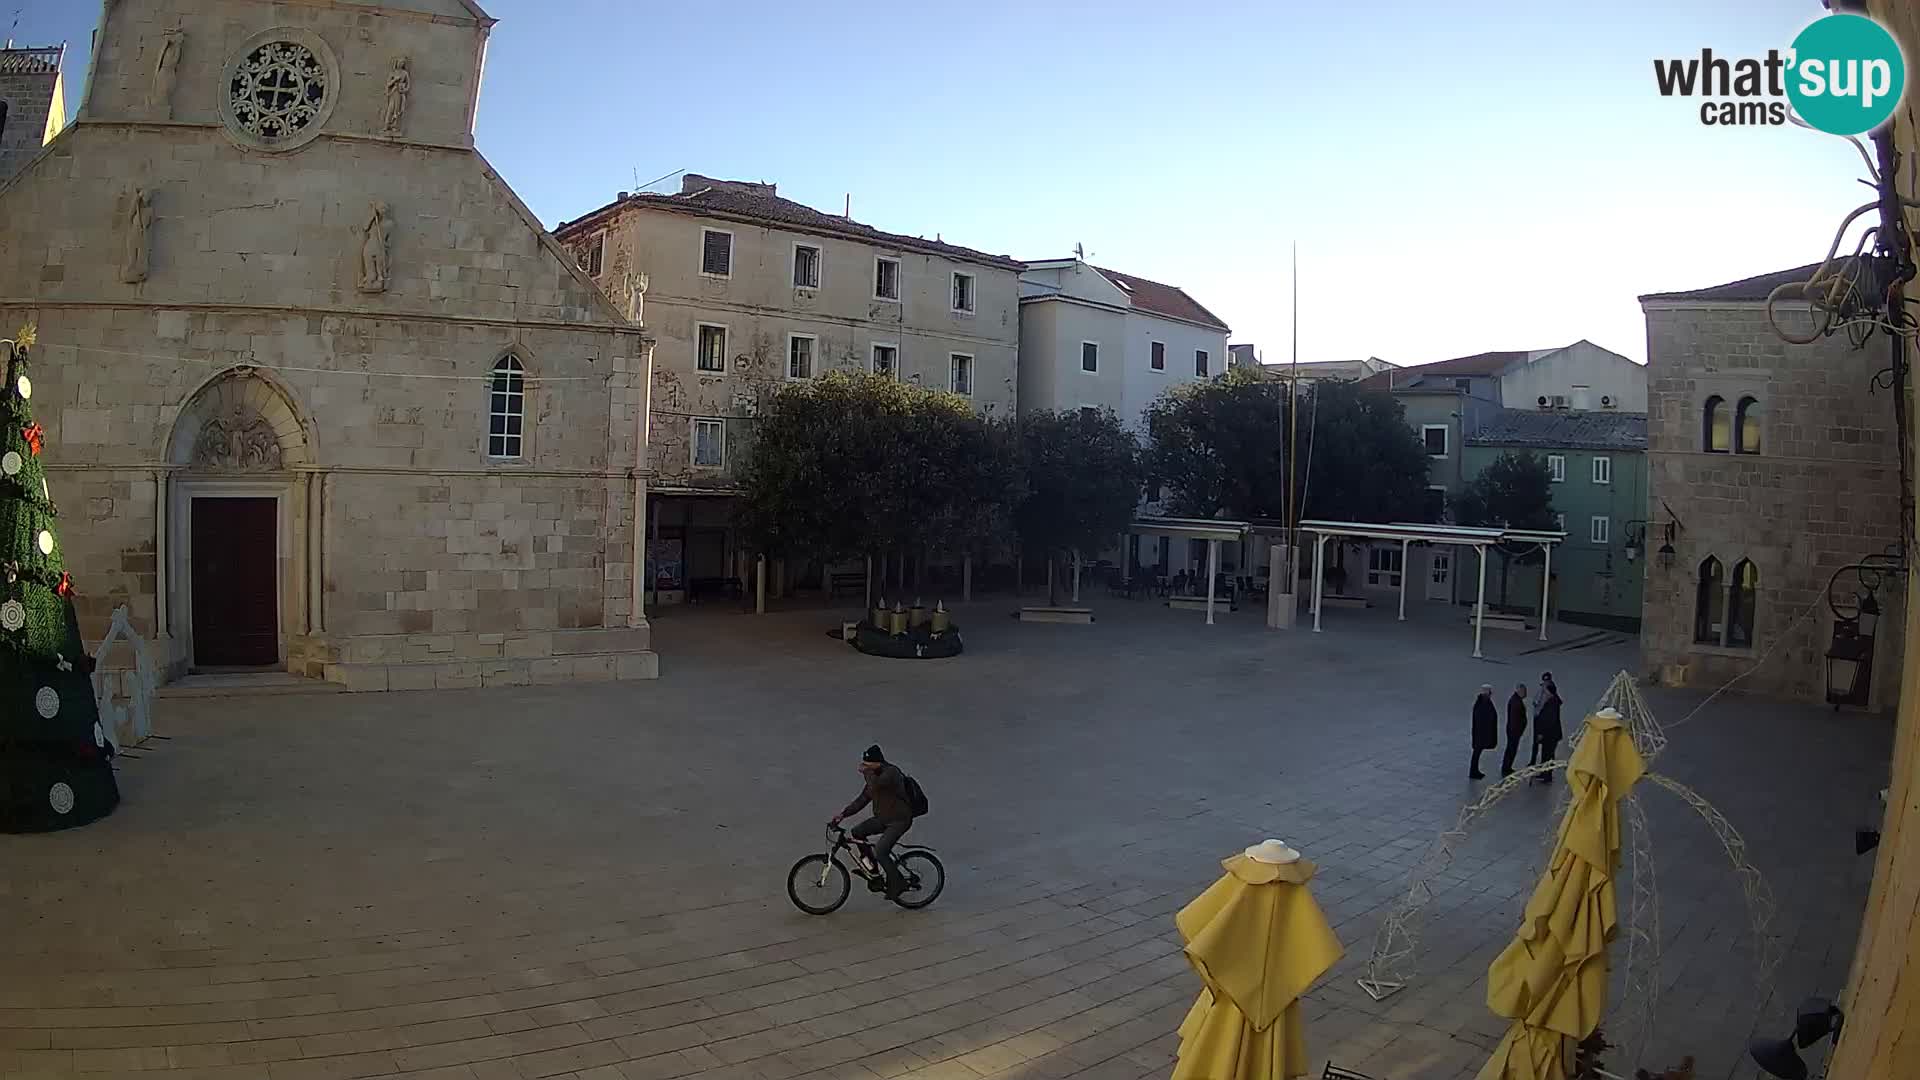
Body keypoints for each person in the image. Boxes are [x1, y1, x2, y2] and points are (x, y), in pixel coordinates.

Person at [829, 744, 912, 898]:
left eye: (867, 764)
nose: (864, 767)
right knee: (857, 832)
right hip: (882, 818)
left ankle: (899, 884)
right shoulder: (874, 776)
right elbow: (863, 799)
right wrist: (843, 814)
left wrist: (866, 772)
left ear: (877, 762)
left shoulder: (891, 773)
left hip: (899, 821)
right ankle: (874, 871)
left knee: (881, 851)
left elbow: (876, 784)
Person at [1532, 674, 1564, 784]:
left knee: (1548, 754)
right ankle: (1544, 772)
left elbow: (1548, 721)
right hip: (1551, 734)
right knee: (1546, 754)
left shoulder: (1551, 703)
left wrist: (1541, 732)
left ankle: (1547, 775)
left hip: (1550, 735)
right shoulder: (1552, 701)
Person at [1500, 683, 1530, 778]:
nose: (1526, 694)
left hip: (1513, 730)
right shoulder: (1516, 702)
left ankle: (1507, 767)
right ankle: (1506, 768)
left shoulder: (1515, 700)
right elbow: (1516, 719)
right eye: (1524, 691)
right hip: (1514, 730)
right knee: (1511, 749)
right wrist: (1519, 730)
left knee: (1511, 749)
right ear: (1519, 691)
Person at [1470, 685, 1498, 779]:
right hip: (1481, 733)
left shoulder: (1483, 702)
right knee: (1477, 752)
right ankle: (1473, 772)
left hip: (1481, 733)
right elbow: (1481, 718)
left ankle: (1475, 771)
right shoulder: (1482, 703)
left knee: (1477, 752)